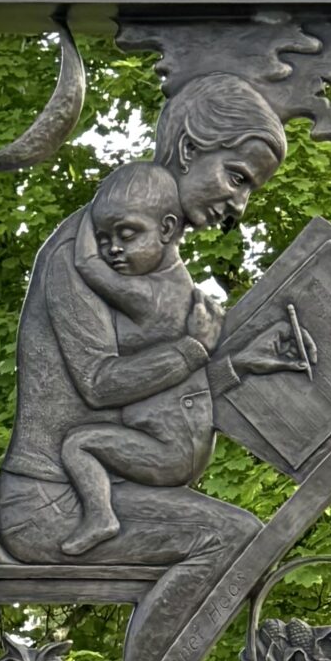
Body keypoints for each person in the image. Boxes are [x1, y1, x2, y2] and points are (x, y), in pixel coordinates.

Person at [0, 77, 311, 661]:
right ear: (191, 149)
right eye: (237, 177)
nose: (239, 204)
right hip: (54, 499)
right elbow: (100, 384)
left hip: (115, 481)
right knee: (239, 539)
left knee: (244, 537)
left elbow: (160, 390)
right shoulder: (91, 252)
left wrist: (240, 365)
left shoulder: (152, 259)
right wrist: (197, 348)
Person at [59, 163, 223, 556]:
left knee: (78, 444)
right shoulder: (172, 285)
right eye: (104, 237)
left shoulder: (154, 297)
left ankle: (101, 515)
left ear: (167, 230)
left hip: (167, 451)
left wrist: (88, 213)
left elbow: (85, 264)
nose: (113, 247)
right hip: (181, 443)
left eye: (127, 233)